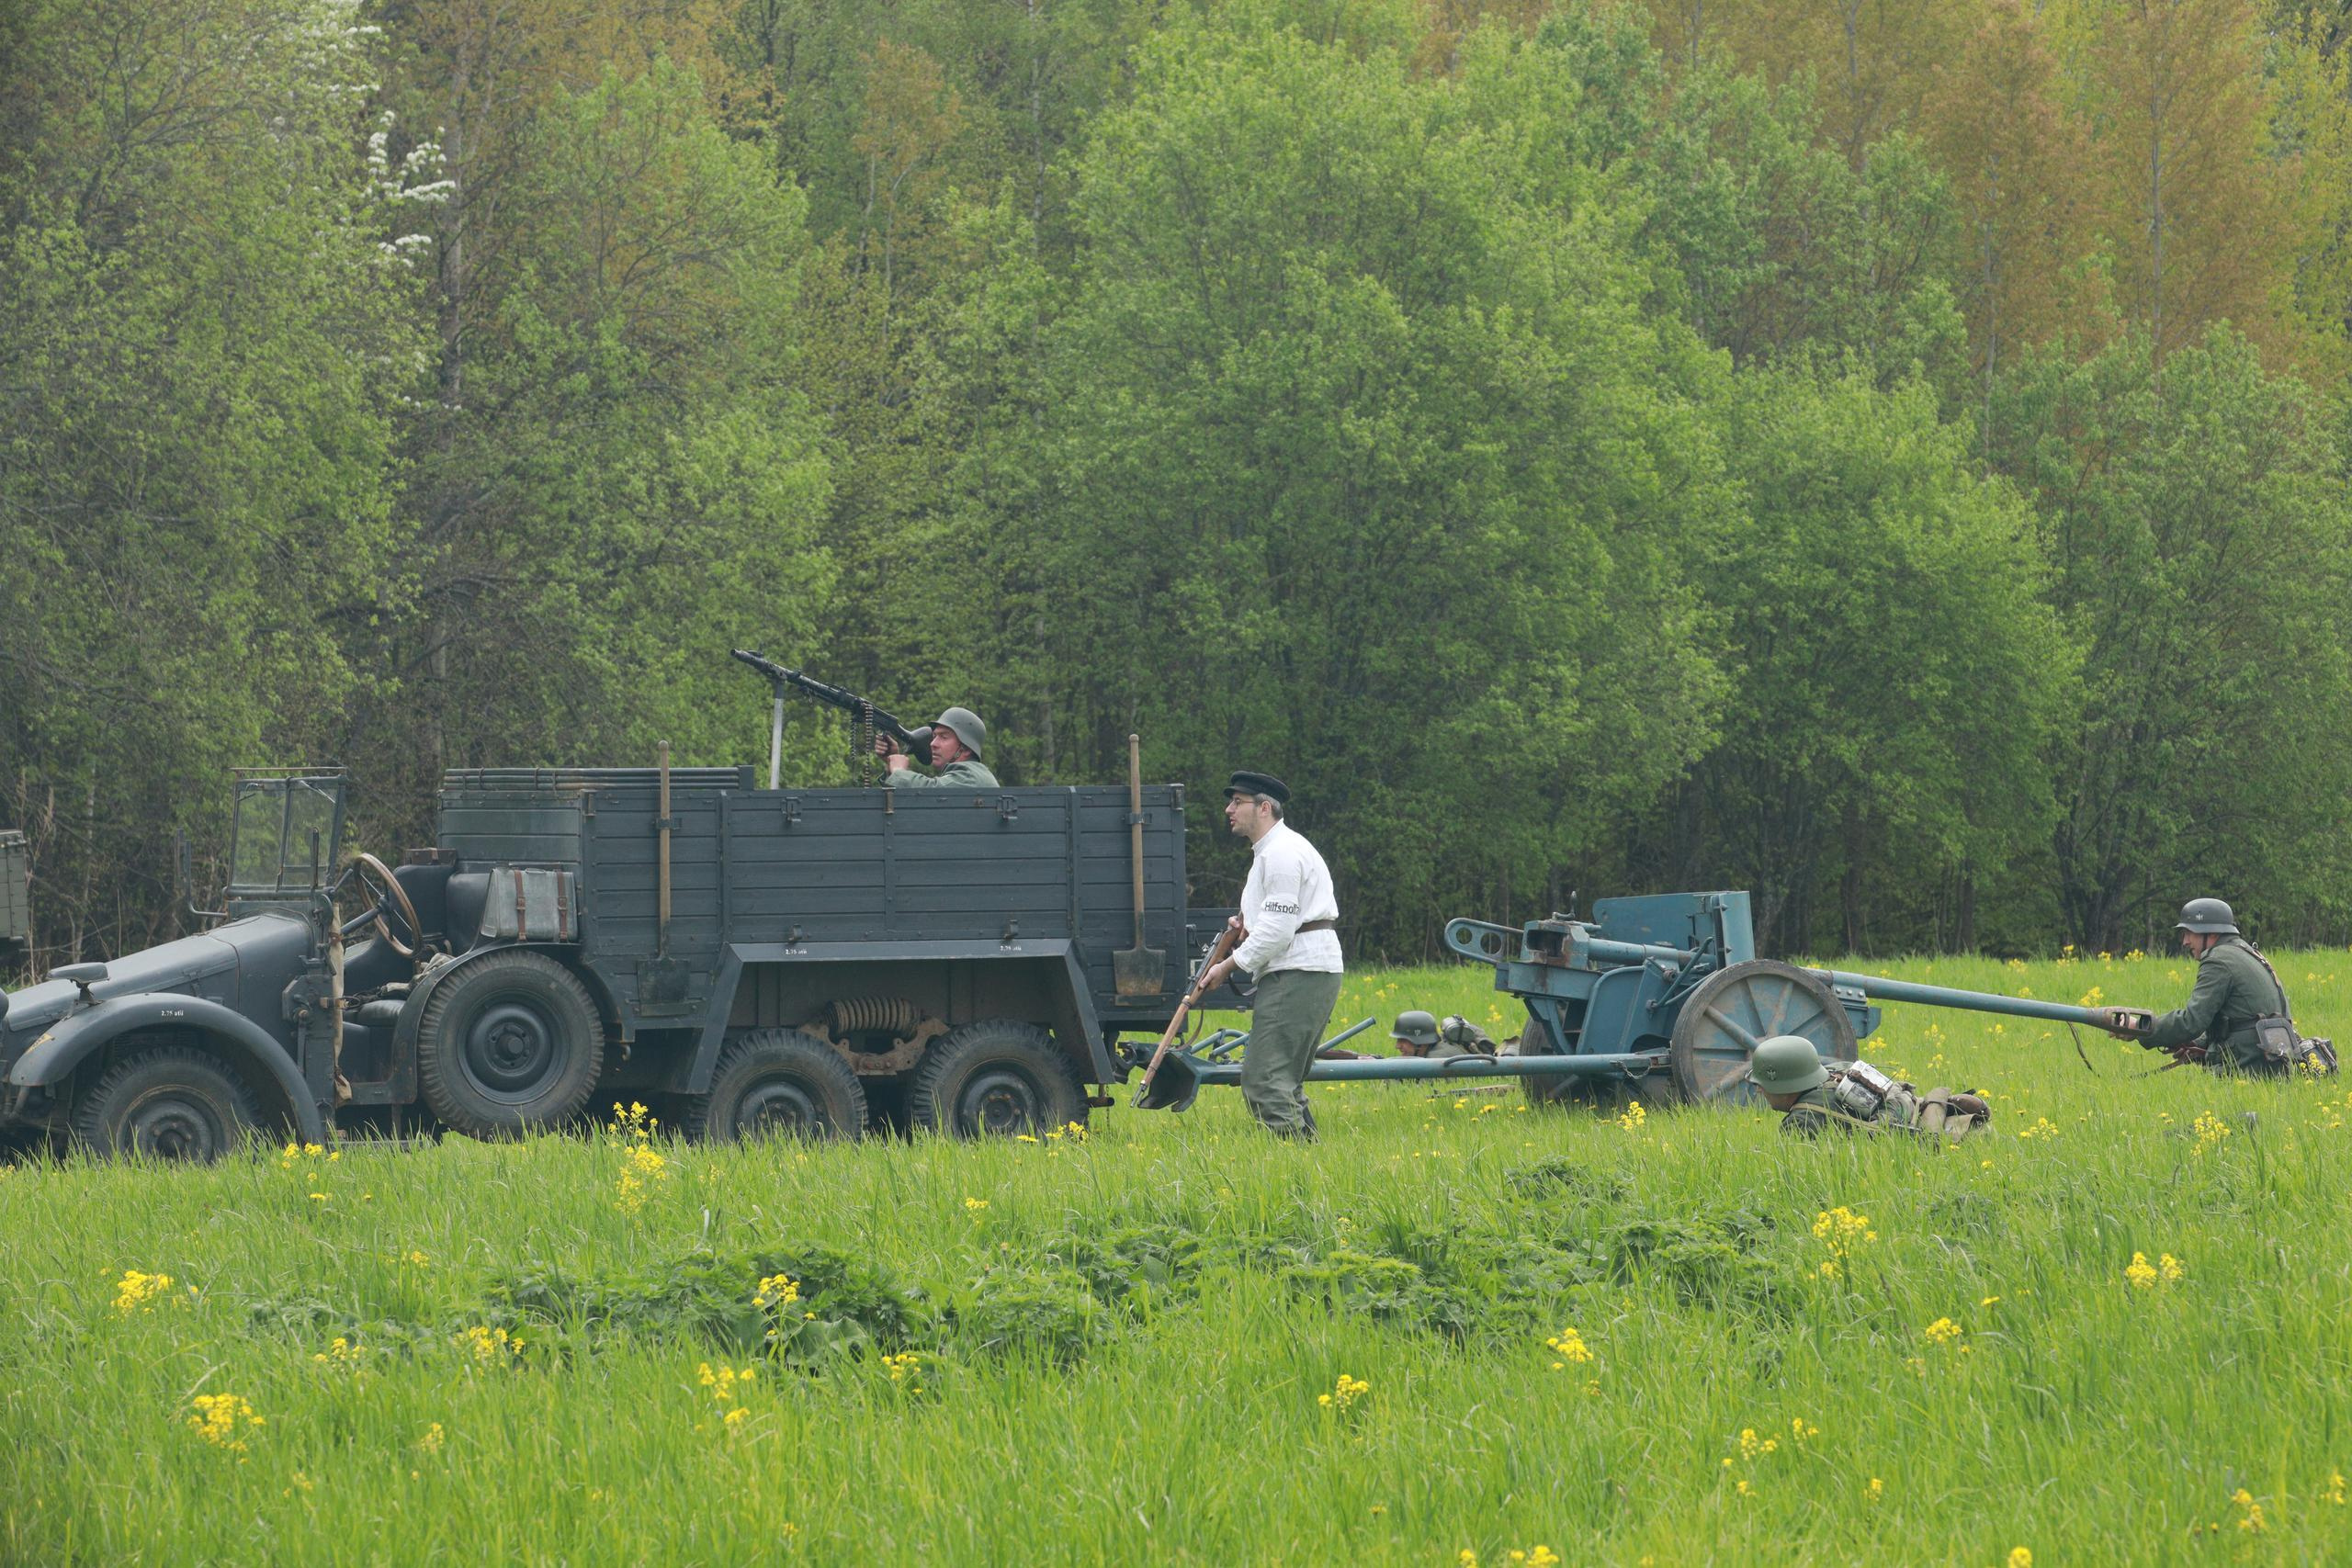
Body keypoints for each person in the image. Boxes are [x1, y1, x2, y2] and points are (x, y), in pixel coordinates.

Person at [1200, 771, 1342, 1138]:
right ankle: (1310, 1163)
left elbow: (1279, 929)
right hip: (1302, 968)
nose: (1228, 809)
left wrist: (1228, 966)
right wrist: (1247, 923)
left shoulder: (1280, 853)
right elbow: (1278, 918)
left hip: (1298, 971)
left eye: (1237, 802)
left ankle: (1296, 1171)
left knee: (1265, 1080)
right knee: (1284, 1081)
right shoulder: (1272, 852)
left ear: (1264, 808)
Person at [2092, 898, 2295, 1076]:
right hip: (2271, 1064)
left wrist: (2141, 1028)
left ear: (2212, 933)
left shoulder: (2218, 959)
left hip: (2247, 1070)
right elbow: (2240, 1021)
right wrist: (2198, 1046)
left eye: (2190, 933)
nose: (2185, 941)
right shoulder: (2246, 952)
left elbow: (2191, 1022)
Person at [1748, 1034, 1993, 1142]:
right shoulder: (1836, 1072)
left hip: (1904, 1138)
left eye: (1765, 1085)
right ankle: (1938, 1107)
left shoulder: (1801, 1120)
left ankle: (1941, 1118)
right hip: (1906, 1104)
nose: (1760, 1090)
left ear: (1786, 1083)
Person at [876, 706, 998, 788]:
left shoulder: (970, 778)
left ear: (965, 749)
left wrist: (898, 771)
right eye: (934, 736)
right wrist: (890, 761)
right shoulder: (964, 775)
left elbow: (932, 791)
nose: (933, 743)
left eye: (944, 737)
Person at [1391, 1011, 1498, 1059]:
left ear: (1421, 1042)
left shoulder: (1438, 1059)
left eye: (1403, 1040)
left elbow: (1415, 1090)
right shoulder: (1435, 1048)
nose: (1398, 1046)